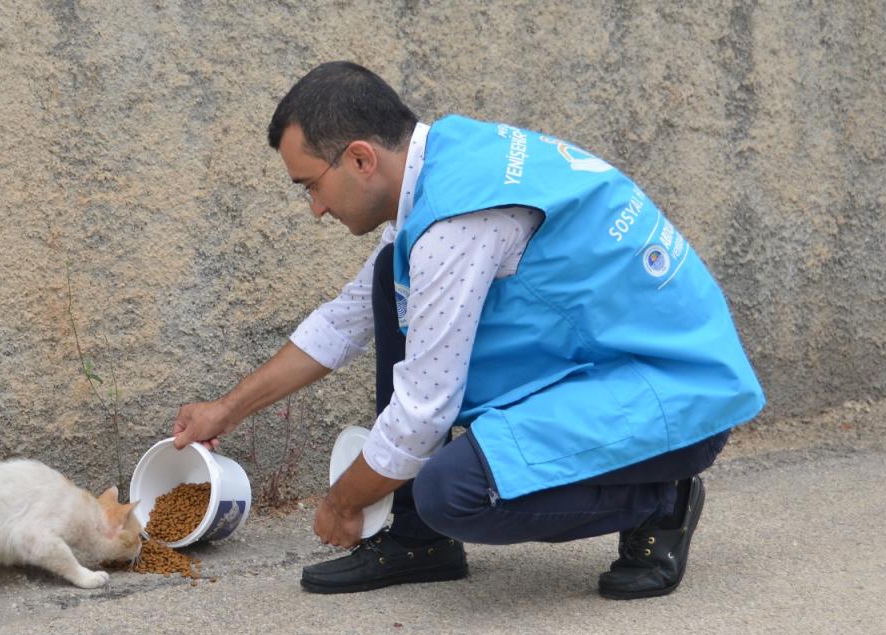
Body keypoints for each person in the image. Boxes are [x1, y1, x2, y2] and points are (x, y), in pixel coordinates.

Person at [171, 61, 765, 599]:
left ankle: (662, 499)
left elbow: (425, 415)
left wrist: (344, 502)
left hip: (679, 403)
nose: (315, 208)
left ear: (359, 159)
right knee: (386, 280)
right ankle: (415, 541)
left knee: (451, 493)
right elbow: (344, 319)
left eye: (310, 185)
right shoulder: (443, 163)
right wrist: (226, 411)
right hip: (614, 364)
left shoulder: (455, 225)